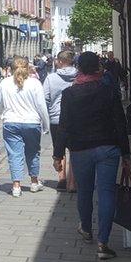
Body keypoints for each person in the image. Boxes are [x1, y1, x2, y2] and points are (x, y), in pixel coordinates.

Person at [61, 51, 131, 260]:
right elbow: (120, 123)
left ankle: (85, 229)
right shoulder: (109, 90)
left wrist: (57, 154)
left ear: (79, 69)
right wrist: (126, 153)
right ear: (98, 67)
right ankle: (103, 243)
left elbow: (64, 126)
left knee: (84, 191)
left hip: (80, 150)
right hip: (108, 148)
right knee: (106, 193)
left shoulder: (70, 94)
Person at [0, 57, 50, 197]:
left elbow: (0, 103)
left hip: (11, 122)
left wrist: (3, 115)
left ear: (10, 68)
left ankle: (16, 186)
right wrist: (46, 124)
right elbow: (41, 106)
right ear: (28, 68)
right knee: (33, 152)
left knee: (14, 154)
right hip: (32, 122)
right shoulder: (35, 83)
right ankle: (34, 182)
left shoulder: (4, 83)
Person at [44, 50, 77, 192]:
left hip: (56, 119)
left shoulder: (51, 78)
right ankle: (72, 183)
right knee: (74, 150)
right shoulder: (79, 76)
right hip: (75, 119)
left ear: (60, 61)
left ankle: (62, 179)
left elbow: (45, 98)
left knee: (59, 149)